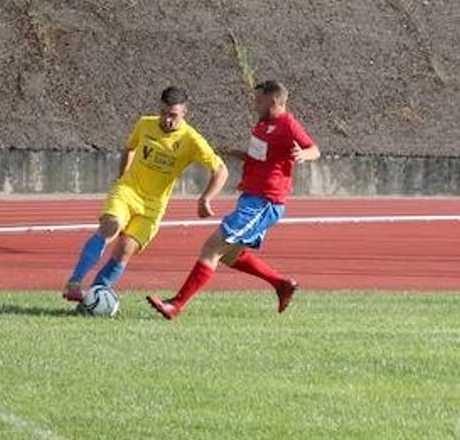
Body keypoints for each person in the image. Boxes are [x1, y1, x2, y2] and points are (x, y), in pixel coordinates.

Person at [147, 79, 319, 319]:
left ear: (275, 100)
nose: (254, 104)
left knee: (212, 248)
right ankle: (281, 284)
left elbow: (314, 149)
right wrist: (238, 154)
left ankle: (176, 305)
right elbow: (261, 158)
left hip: (265, 202)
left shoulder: (287, 123)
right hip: (250, 198)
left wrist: (303, 154)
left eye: (258, 100)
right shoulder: (262, 125)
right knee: (229, 254)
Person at [62, 86, 228, 303]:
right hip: (128, 191)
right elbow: (130, 148)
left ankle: (95, 297)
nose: (168, 120)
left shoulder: (192, 140)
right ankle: (74, 283)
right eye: (164, 113)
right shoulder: (145, 123)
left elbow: (221, 170)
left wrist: (206, 198)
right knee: (109, 228)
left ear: (184, 113)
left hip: (153, 206)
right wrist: (122, 178)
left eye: (174, 116)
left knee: (125, 250)